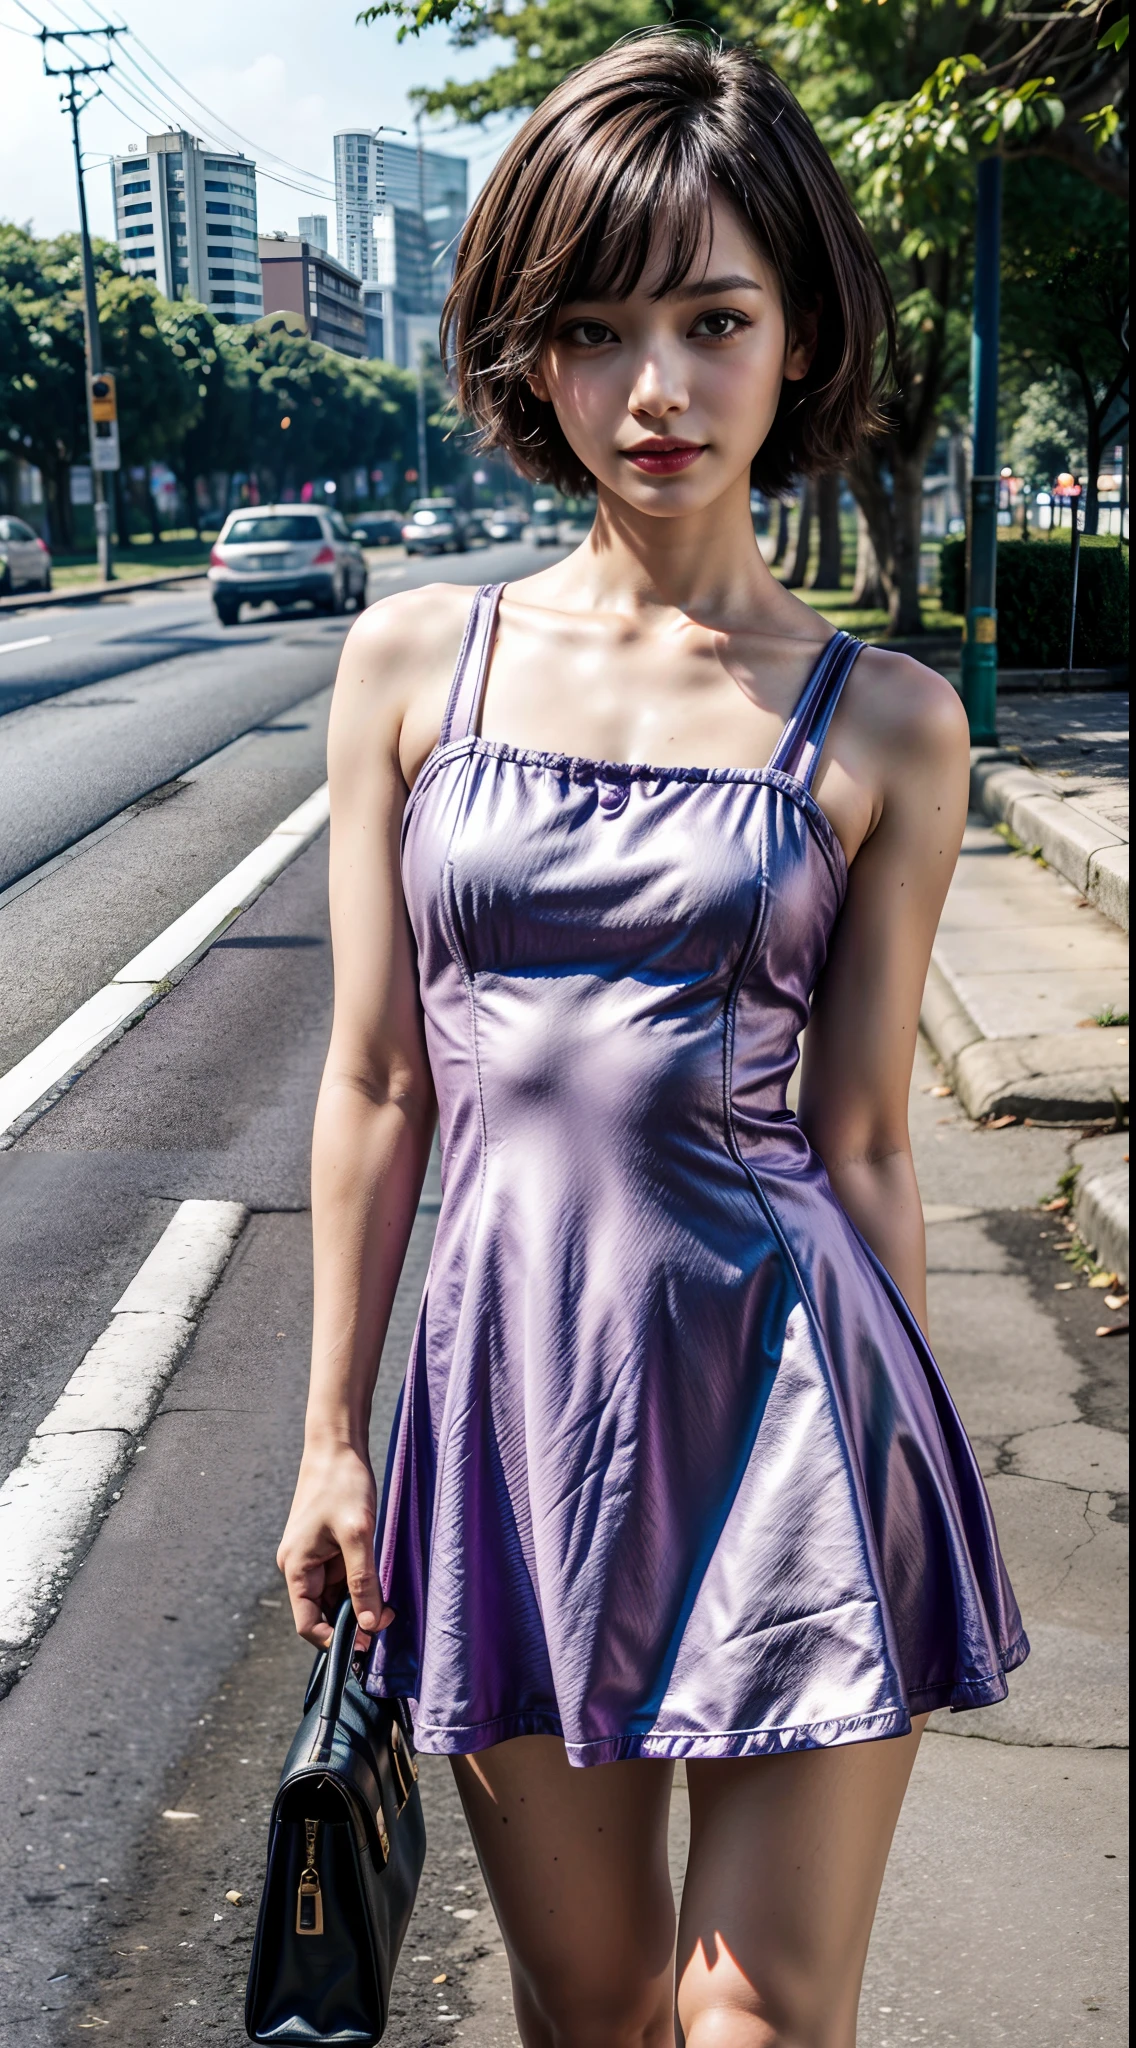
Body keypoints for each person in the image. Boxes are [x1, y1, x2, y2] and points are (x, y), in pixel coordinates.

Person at [278, 33, 1026, 2048]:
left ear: (801, 339)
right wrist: (334, 1434)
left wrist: (903, 1463)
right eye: (595, 330)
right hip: (514, 1403)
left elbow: (867, 1140)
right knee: (592, 2012)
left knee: (755, 2023)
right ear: (534, 359)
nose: (656, 389)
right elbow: (375, 1083)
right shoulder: (416, 662)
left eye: (713, 319)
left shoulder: (887, 721)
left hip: (794, 1405)